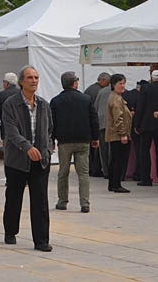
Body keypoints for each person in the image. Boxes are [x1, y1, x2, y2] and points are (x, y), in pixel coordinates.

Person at [1, 66, 53, 252]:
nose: (34, 81)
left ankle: (41, 240)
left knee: (40, 201)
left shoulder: (44, 104)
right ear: (21, 81)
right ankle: (10, 231)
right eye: (30, 77)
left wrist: (46, 150)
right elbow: (11, 131)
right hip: (17, 160)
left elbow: (49, 129)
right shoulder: (11, 104)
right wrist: (26, 146)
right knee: (14, 197)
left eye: (36, 77)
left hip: (40, 160)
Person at [50, 70, 98, 213]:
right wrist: (95, 138)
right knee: (83, 173)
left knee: (63, 172)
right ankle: (85, 203)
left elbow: (52, 123)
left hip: (64, 141)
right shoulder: (86, 99)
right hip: (83, 140)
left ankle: (62, 201)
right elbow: (93, 119)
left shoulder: (56, 101)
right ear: (75, 83)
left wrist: (51, 140)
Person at [134, 69, 158, 187]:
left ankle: (146, 178)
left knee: (144, 151)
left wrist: (137, 124)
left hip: (146, 124)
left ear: (151, 77)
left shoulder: (145, 89)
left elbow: (140, 106)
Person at [105, 74, 132, 193]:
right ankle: (116, 184)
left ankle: (113, 184)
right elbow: (118, 118)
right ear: (113, 85)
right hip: (118, 135)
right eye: (120, 83)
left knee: (115, 159)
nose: (123, 86)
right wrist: (123, 134)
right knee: (119, 160)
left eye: (124, 83)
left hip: (115, 134)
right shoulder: (116, 99)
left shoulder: (116, 97)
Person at [83, 72, 110, 176]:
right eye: (107, 83)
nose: (108, 85)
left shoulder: (90, 88)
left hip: (88, 121)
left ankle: (91, 168)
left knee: (91, 148)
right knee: (98, 148)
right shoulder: (100, 91)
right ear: (102, 80)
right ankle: (96, 169)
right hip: (95, 122)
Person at [0, 72, 19, 140]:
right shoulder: (22, 93)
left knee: (8, 149)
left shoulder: (0, 95)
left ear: (7, 83)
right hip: (21, 128)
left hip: (6, 128)